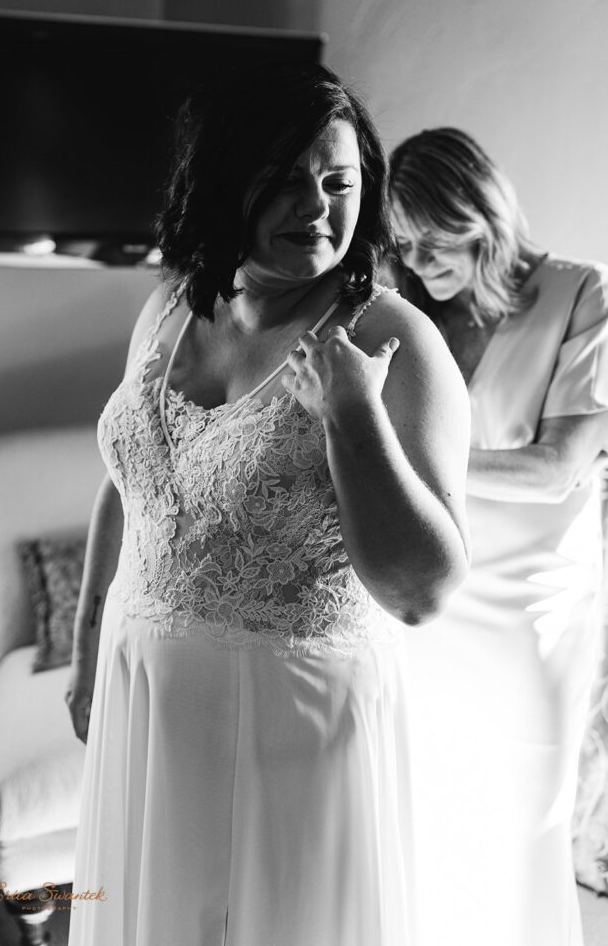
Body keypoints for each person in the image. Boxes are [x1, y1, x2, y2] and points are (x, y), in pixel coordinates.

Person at [65, 66, 471, 946]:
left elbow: (422, 591)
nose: (317, 208)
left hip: (289, 723)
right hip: (149, 698)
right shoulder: (174, 304)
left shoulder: (390, 339)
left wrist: (352, 416)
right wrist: (87, 642)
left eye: (337, 183)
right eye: (285, 180)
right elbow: (132, 477)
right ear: (222, 183)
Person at [389, 126, 608, 946]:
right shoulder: (410, 314)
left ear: (476, 211)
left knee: (525, 824)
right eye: (400, 245)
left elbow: (558, 467)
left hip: (531, 615)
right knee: (435, 824)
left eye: (429, 238)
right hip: (430, 606)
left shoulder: (580, 292)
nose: (414, 262)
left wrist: (410, 454)